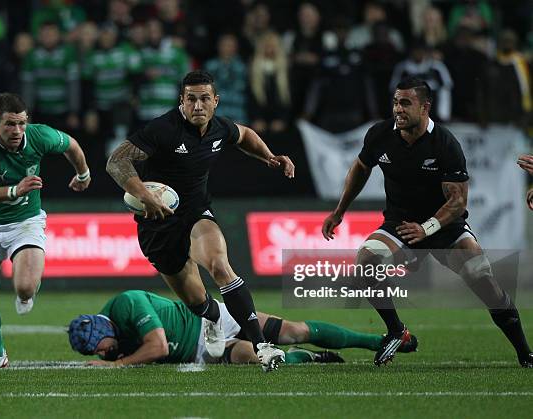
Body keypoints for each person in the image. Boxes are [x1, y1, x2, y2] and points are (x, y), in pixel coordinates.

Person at [321, 77, 533, 368]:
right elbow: (361, 167)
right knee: (365, 262)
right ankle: (397, 331)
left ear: (425, 107)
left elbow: (458, 202)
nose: (398, 109)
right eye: (396, 102)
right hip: (401, 224)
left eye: (406, 103)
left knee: (485, 283)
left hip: (446, 227)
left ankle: (525, 354)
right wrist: (339, 210)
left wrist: (428, 228)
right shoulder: (380, 134)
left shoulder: (445, 144)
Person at [106, 70, 295, 372]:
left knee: (220, 266)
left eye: (204, 99)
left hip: (196, 214)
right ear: (181, 101)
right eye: (191, 99)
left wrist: (270, 157)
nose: (197, 106)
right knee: (197, 302)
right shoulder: (163, 129)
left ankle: (262, 346)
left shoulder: (220, 128)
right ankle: (212, 318)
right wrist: (144, 195)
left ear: (215, 101)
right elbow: (116, 161)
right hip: (158, 224)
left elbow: (244, 135)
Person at [0, 93, 91, 370]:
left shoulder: (40, 136)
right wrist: (14, 190)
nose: (17, 131)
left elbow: (72, 145)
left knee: (24, 287)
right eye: (10, 124)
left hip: (25, 221)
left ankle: (28, 290)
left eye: (22, 123)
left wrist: (83, 174)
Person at [67, 290, 418, 366]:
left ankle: (380, 340)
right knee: (258, 359)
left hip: (215, 320)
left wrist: (113, 365)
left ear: (101, 332)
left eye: (97, 348)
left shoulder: (127, 302)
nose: (101, 353)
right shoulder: (106, 333)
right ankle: (315, 360)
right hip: (201, 350)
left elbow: (157, 347)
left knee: (294, 330)